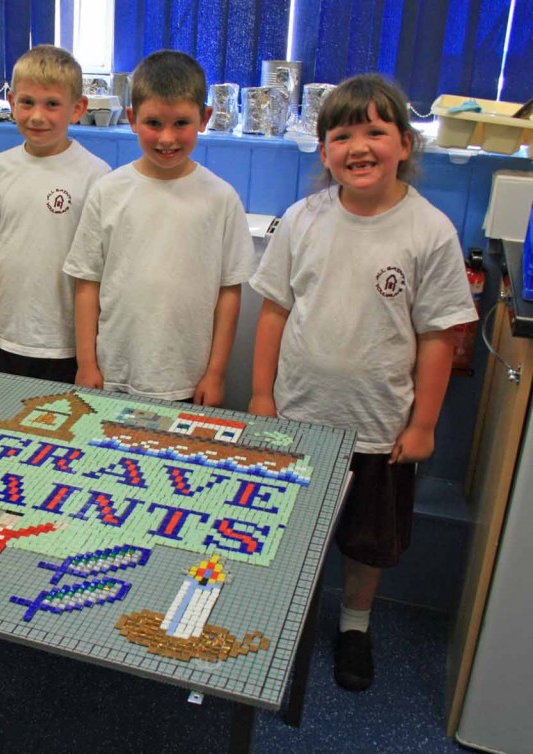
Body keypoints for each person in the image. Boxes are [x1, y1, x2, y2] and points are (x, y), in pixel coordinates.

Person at [247, 74, 478, 691]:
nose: (358, 146)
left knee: (367, 543)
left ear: (405, 143)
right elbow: (274, 311)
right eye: (342, 134)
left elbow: (439, 337)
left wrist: (423, 423)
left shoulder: (428, 231)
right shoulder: (303, 219)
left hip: (380, 430)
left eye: (375, 131)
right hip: (300, 420)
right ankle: (284, 610)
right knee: (289, 527)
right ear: (324, 151)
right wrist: (263, 395)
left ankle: (354, 624)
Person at [63, 50, 256, 402]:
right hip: (114, 372)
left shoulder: (221, 198)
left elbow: (229, 294)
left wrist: (215, 373)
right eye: (154, 124)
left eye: (181, 123)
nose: (167, 138)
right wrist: (86, 362)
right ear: (134, 119)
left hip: (187, 377)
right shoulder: (108, 190)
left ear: (204, 118)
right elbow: (87, 282)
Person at [0, 45, 111, 383]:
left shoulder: (96, 175)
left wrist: (88, 358)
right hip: (2, 336)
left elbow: (98, 272)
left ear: (77, 108)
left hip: (66, 346)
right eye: (27, 102)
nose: (37, 116)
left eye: (52, 104)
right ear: (11, 102)